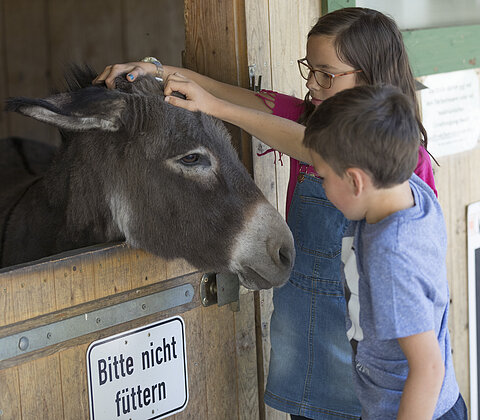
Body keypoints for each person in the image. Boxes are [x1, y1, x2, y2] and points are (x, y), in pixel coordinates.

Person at [94, 8, 437, 420]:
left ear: (369, 76)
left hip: (375, 371)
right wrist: (151, 69)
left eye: (326, 73)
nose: (311, 83)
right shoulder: (299, 115)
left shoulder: (403, 159)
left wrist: (219, 109)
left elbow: (317, 146)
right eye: (309, 69)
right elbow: (213, 87)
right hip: (309, 344)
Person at [303, 83, 467, 420]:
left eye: (322, 177)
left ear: (356, 181)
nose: (321, 185)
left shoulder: (391, 257)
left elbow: (428, 368)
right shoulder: (410, 190)